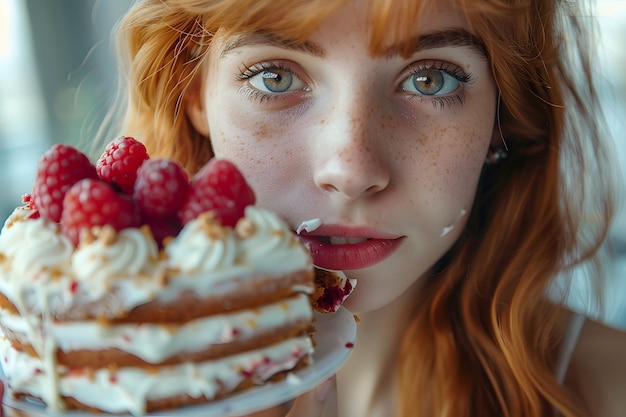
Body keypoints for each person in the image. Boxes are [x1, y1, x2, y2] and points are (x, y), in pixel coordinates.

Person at [3, 0, 625, 416]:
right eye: (274, 76)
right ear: (195, 96)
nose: (351, 169)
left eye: (432, 78)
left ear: (499, 117)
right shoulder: (46, 385)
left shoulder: (610, 387)